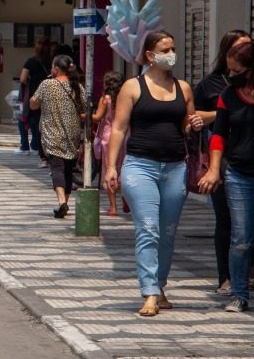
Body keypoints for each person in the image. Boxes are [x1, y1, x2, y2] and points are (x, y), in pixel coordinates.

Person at [105, 30, 203, 317]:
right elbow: (119, 128)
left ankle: (160, 286)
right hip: (140, 166)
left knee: (168, 233)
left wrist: (193, 123)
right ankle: (148, 292)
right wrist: (112, 166)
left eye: (173, 48)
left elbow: (186, 124)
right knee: (148, 229)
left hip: (175, 167)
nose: (171, 54)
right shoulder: (132, 87)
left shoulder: (183, 88)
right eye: (165, 49)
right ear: (150, 55)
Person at [194, 30, 252, 296]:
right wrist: (215, 169)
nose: (232, 75)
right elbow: (217, 132)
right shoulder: (221, 90)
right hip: (235, 169)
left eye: (237, 70)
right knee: (236, 231)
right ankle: (235, 288)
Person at [30, 54, 87, 219]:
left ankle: (62, 202)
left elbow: (33, 104)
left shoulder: (47, 84)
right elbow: (85, 108)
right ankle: (65, 203)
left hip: (52, 133)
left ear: (55, 69)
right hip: (72, 133)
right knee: (68, 169)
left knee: (56, 168)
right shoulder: (77, 87)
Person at [92, 71, 127, 216]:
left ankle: (113, 207)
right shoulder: (125, 98)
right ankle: (126, 198)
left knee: (109, 169)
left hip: (108, 137)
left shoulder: (105, 99)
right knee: (124, 168)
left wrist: (86, 115)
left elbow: (97, 117)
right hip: (126, 136)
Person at [21, 36, 52, 167]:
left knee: (38, 127)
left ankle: (43, 157)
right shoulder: (52, 61)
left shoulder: (31, 62)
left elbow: (23, 78)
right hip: (51, 95)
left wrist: (32, 83)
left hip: (36, 96)